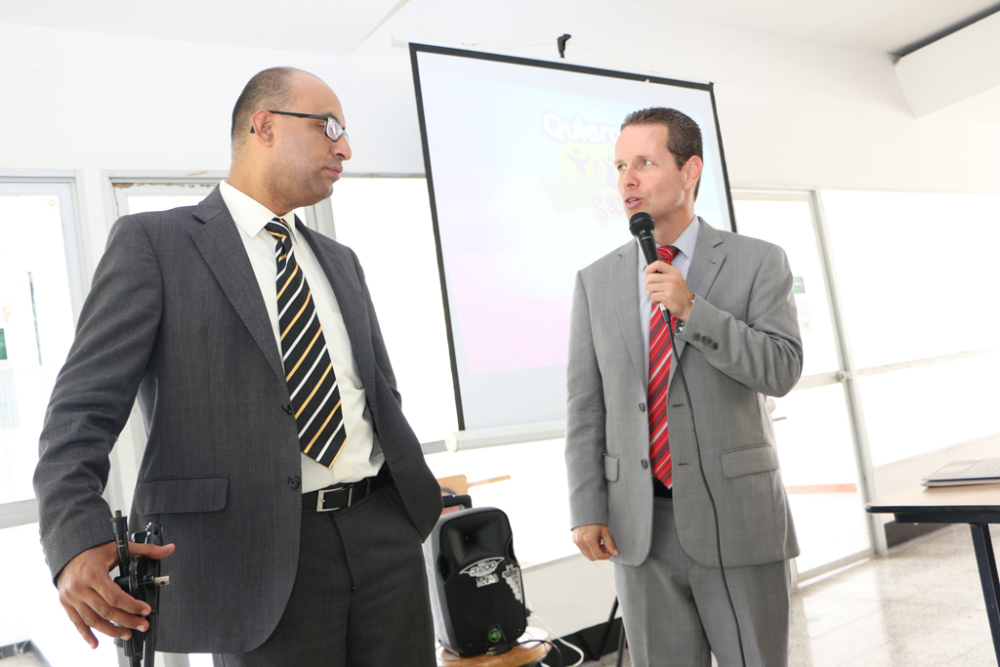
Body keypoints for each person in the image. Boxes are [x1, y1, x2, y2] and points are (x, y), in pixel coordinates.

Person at [33, 67, 441, 667]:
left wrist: (406, 505)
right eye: (330, 127)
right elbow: (80, 410)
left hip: (384, 537)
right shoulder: (155, 245)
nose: (345, 149)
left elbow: (377, 393)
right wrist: (74, 539)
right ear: (264, 127)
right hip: (253, 558)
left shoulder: (340, 260)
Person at [565, 107, 803, 667]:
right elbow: (585, 405)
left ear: (690, 170)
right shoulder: (596, 281)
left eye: (644, 163)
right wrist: (586, 506)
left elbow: (781, 369)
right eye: (619, 166)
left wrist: (694, 310)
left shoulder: (758, 261)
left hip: (738, 519)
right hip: (638, 526)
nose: (627, 180)